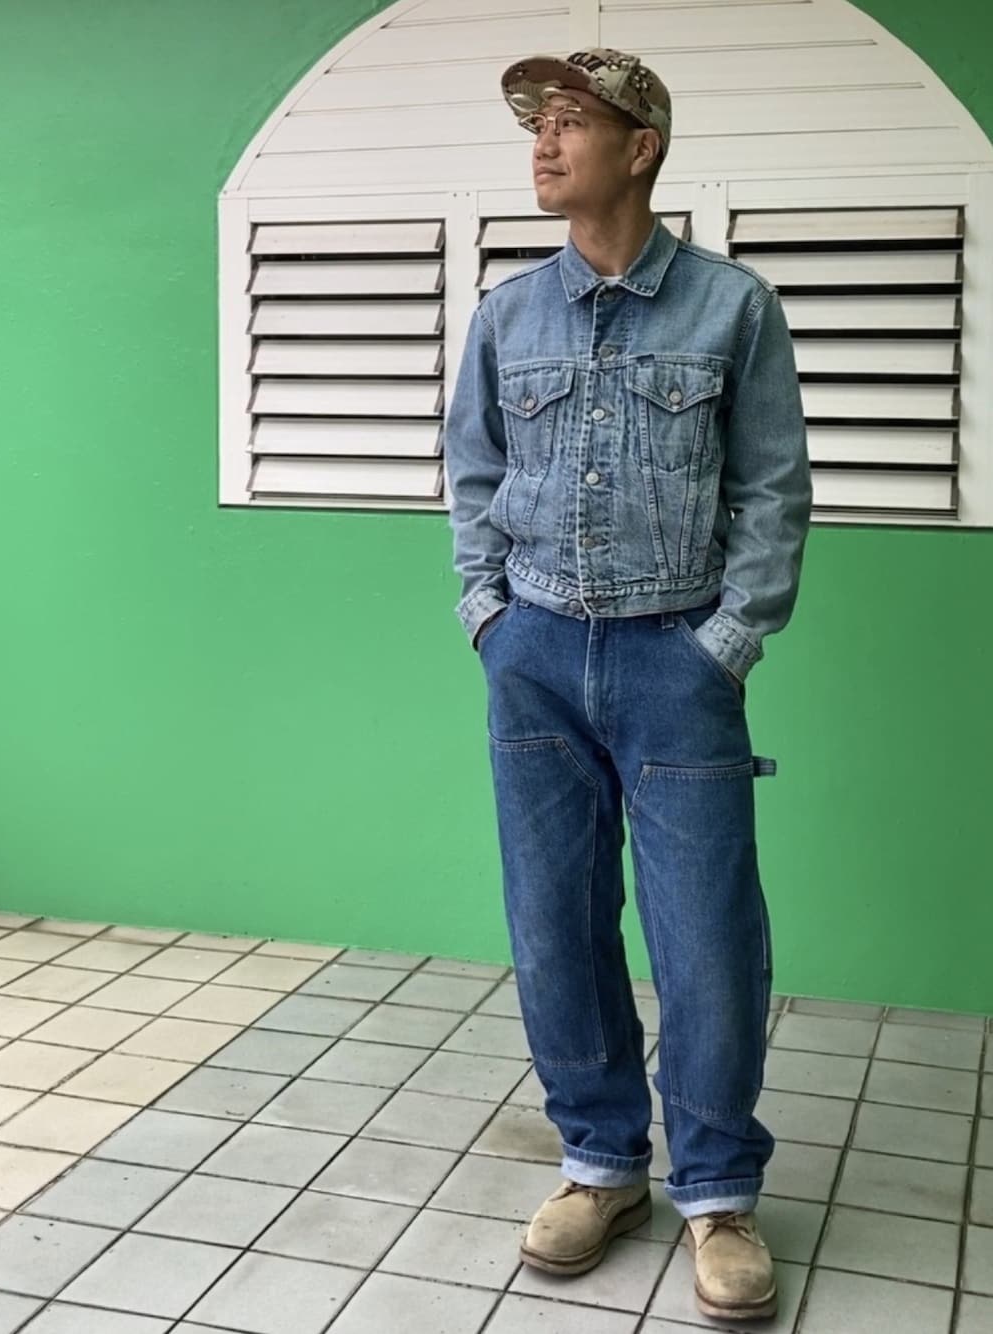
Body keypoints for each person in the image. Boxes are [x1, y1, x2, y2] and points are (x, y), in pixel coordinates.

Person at [445, 46, 812, 1323]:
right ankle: (601, 1164)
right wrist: (489, 616)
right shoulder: (507, 315)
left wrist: (727, 641)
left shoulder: (731, 308)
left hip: (676, 659)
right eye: (535, 126)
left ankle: (717, 1188)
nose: (542, 145)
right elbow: (472, 478)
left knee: (707, 937)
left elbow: (773, 489)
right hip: (535, 657)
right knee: (554, 923)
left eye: (569, 122)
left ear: (640, 145)